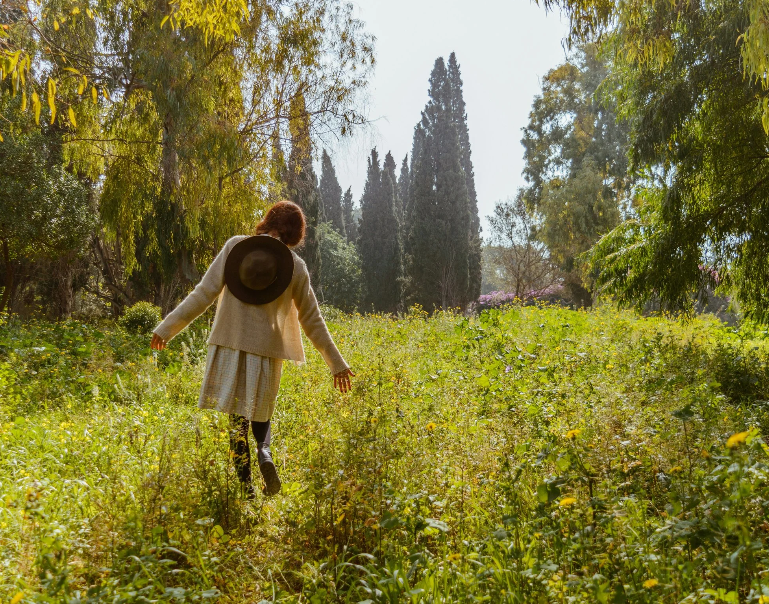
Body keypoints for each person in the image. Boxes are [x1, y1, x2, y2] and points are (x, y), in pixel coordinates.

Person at [150, 200, 353, 498]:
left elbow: (204, 293)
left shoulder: (236, 248)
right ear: (296, 233)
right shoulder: (296, 267)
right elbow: (312, 320)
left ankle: (247, 492)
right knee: (261, 412)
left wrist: (166, 328)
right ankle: (265, 451)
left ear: (268, 220)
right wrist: (337, 364)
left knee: (237, 421)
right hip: (267, 354)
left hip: (231, 346)